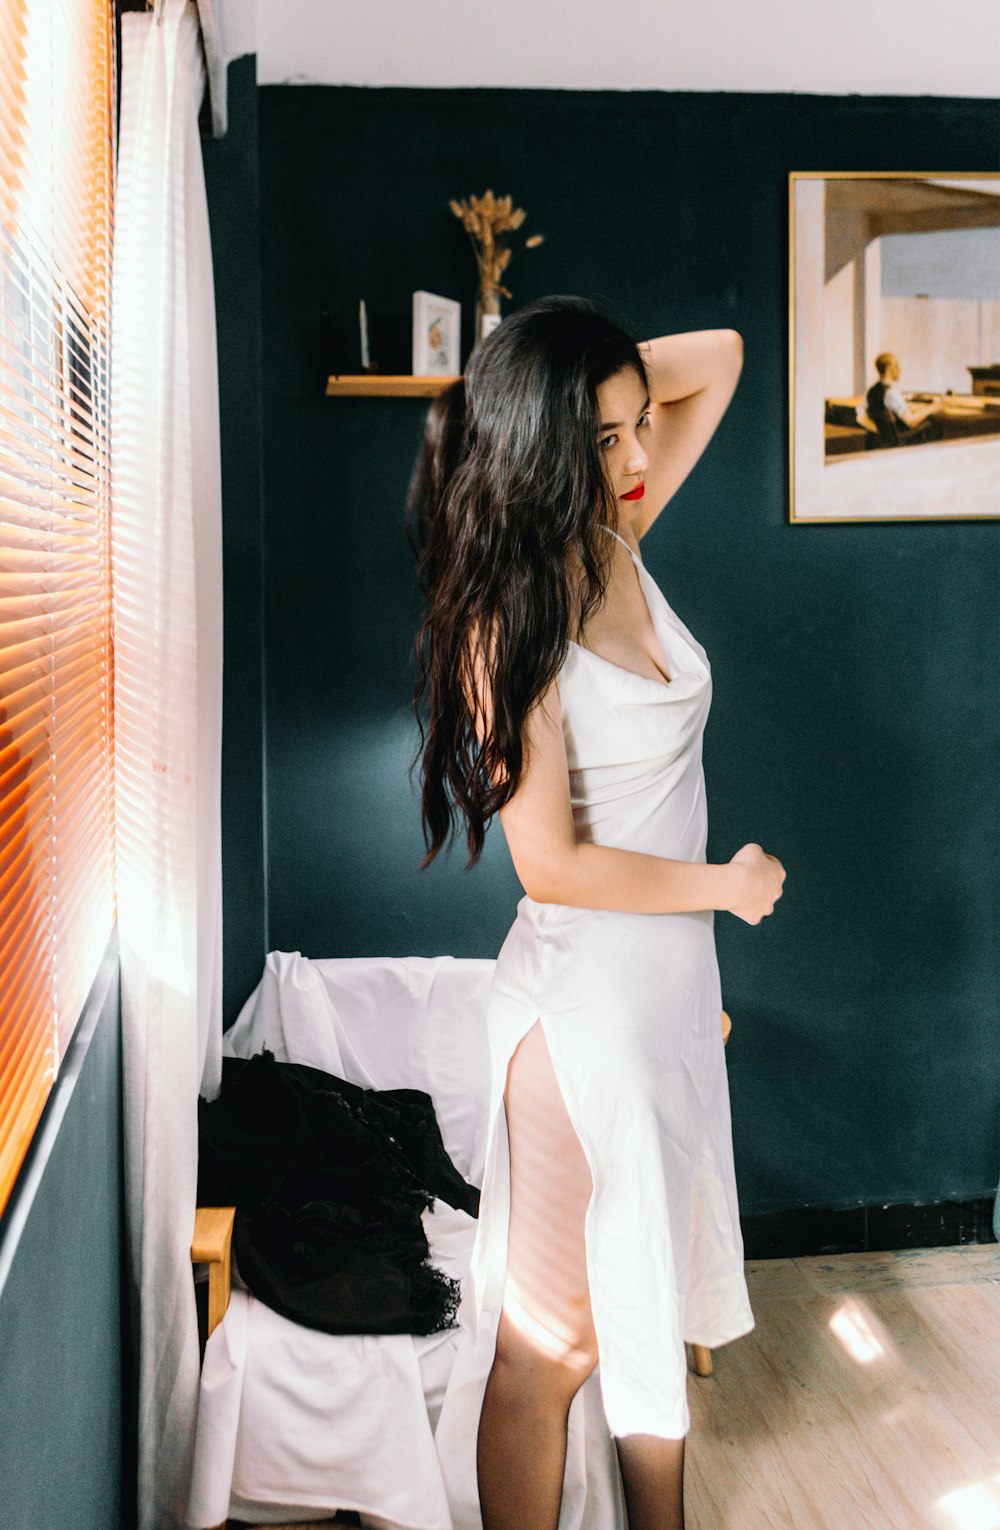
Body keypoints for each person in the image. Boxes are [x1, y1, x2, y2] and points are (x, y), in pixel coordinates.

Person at [408, 295, 786, 1530]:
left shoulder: (613, 536)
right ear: (540, 446)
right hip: (583, 1006)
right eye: (604, 437)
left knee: (644, 1315)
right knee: (555, 1344)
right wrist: (721, 888)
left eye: (636, 429)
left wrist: (576, 377)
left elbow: (720, 360)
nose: (635, 459)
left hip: (667, 991)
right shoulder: (501, 617)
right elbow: (552, 866)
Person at [864, 351, 941, 446]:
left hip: (884, 440)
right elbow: (911, 421)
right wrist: (931, 408)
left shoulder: (873, 391)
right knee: (933, 425)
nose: (899, 369)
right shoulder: (891, 394)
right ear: (888, 368)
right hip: (898, 442)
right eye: (896, 366)